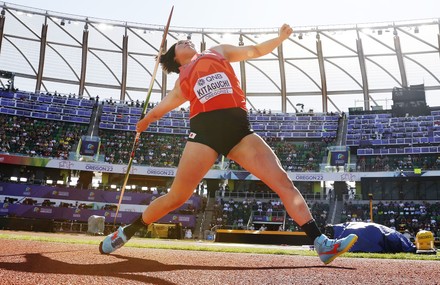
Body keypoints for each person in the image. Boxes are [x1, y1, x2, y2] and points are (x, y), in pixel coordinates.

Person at [99, 24, 358, 265]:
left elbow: (254, 50)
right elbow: (160, 110)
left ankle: (321, 243)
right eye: (180, 42)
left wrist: (279, 39)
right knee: (177, 197)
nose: (186, 40)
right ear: (175, 58)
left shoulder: (217, 52)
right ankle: (126, 232)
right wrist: (143, 122)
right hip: (205, 134)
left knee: (283, 182)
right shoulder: (182, 80)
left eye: (186, 40)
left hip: (239, 130)